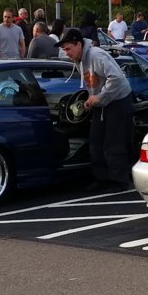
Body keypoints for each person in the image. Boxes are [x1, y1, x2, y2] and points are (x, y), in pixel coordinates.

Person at [59, 27, 133, 187]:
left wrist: (99, 96)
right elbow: (92, 83)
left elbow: (117, 78)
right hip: (103, 102)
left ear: (78, 44)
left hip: (118, 100)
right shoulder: (79, 61)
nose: (66, 53)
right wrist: (91, 98)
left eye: (68, 49)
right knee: (96, 140)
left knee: (113, 142)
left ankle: (119, 180)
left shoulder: (96, 55)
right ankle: (102, 178)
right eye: (64, 50)